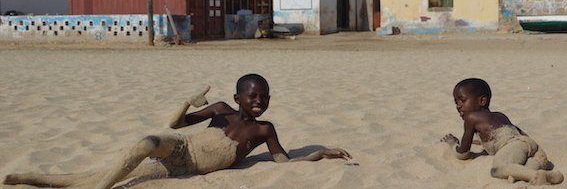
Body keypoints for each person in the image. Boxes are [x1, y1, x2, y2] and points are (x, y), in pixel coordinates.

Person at [4, 74, 351, 189]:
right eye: (253, 95)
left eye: (264, 97)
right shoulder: (220, 110)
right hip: (180, 147)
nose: (259, 101)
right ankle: (98, 188)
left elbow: (282, 162)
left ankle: (32, 178)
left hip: (187, 169)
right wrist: (187, 101)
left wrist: (317, 154)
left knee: (129, 177)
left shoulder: (264, 129)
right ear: (238, 98)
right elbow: (174, 126)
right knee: (147, 143)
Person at [441, 78, 564, 185]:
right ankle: (543, 175)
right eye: (456, 102)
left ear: (482, 101)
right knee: (518, 172)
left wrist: (452, 143)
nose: (458, 106)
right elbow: (508, 135)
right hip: (531, 145)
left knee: (498, 168)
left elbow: (463, 154)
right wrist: (481, 143)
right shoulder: (500, 115)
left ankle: (534, 175)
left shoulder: (471, 117)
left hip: (513, 146)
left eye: (462, 100)